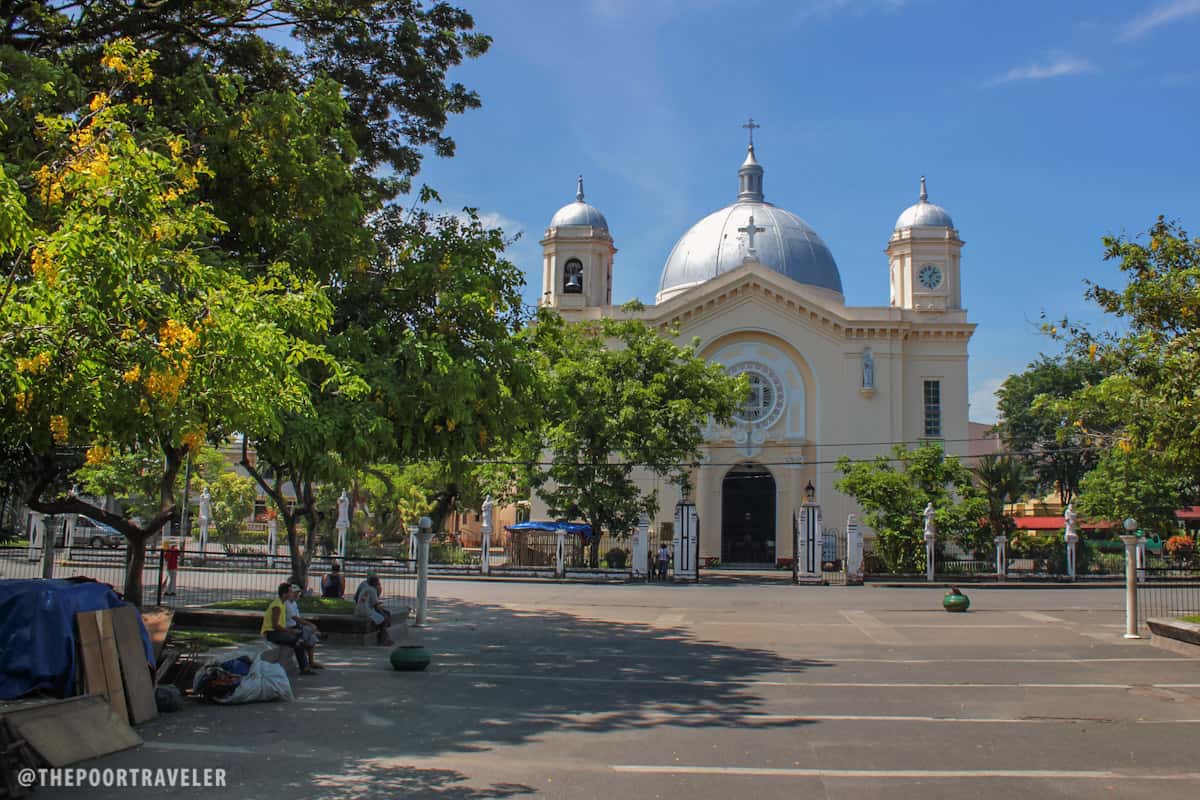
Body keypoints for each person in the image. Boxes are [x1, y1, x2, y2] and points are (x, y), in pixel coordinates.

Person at [261, 582, 313, 675]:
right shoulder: (277, 605)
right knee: (298, 640)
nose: (292, 594)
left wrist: (291, 631)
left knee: (299, 640)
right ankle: (304, 668)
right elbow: (275, 625)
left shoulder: (282, 603)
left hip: (278, 632)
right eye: (290, 592)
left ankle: (304, 668)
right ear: (285, 594)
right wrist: (290, 631)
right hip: (271, 633)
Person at [284, 584, 326, 669]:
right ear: (289, 593)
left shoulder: (294, 603)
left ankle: (311, 661)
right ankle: (318, 634)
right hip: (289, 628)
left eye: (298, 593)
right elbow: (295, 618)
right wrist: (309, 624)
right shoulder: (287, 603)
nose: (296, 595)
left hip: (296, 626)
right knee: (307, 635)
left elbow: (298, 618)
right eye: (294, 593)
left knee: (311, 637)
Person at [354, 574, 393, 645]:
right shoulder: (372, 590)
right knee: (383, 620)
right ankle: (382, 639)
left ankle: (386, 638)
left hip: (359, 610)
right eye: (378, 583)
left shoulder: (366, 588)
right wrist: (384, 614)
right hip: (366, 612)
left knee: (382, 617)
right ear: (376, 583)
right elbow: (376, 606)